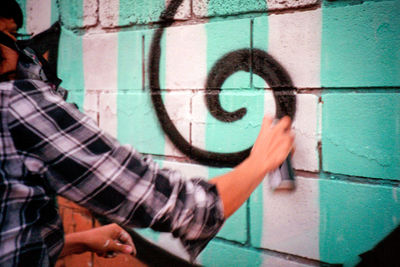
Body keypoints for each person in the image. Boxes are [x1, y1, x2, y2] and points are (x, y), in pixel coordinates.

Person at [0, 0, 294, 266]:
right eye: (12, 37)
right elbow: (182, 209)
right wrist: (259, 163)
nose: (22, 53)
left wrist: (74, 241)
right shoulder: (15, 106)